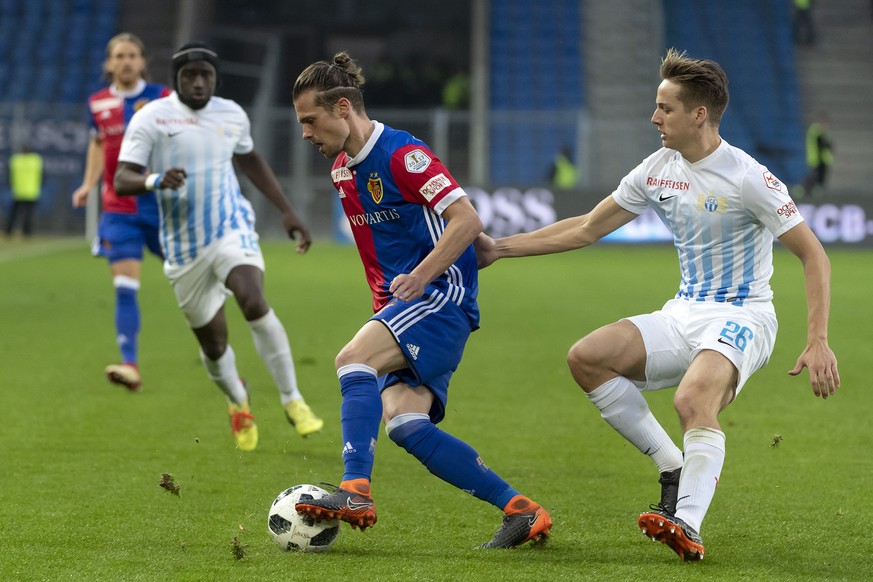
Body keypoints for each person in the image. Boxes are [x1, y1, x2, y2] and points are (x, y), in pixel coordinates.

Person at [475, 48, 839, 561]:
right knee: (587, 357)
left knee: (693, 402)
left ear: (699, 114)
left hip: (743, 316)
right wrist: (500, 248)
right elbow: (585, 227)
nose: (654, 118)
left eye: (665, 108)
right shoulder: (658, 168)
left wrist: (818, 340)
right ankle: (672, 465)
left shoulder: (748, 177)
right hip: (683, 311)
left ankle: (686, 522)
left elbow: (813, 254)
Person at [290, 51, 552, 549]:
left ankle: (354, 490)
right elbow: (377, 257)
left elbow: (467, 220)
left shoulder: (403, 154)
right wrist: (385, 309)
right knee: (407, 426)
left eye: (310, 120)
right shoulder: (343, 172)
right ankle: (522, 510)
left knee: (352, 360)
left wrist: (423, 275)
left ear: (342, 108)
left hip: (441, 294)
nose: (305, 133)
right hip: (405, 308)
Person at [114, 42, 324, 451]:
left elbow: (250, 161)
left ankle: (292, 399)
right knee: (213, 344)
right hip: (182, 248)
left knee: (253, 300)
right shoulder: (151, 118)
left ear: (215, 78)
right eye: (189, 75)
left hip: (231, 229)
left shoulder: (231, 114)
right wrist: (155, 180)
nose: (197, 82)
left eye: (204, 75)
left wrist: (286, 210)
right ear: (176, 79)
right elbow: (123, 178)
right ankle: (238, 401)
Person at [71, 33, 171, 391]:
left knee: (191, 280)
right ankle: (130, 364)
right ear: (109, 63)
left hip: (160, 206)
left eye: (132, 55)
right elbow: (98, 144)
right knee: (125, 288)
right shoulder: (98, 103)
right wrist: (88, 184)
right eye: (119, 56)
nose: (126, 61)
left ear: (142, 61)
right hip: (118, 209)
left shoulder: (162, 99)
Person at [5, 143, 43, 238]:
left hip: (18, 191)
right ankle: (26, 232)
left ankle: (9, 231)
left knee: (14, 213)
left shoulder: (16, 160)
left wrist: (11, 185)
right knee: (28, 214)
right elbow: (42, 176)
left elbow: (9, 175)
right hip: (31, 191)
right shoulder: (36, 161)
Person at [801, 113, 833, 198]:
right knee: (815, 176)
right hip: (817, 158)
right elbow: (821, 145)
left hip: (817, 158)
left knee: (814, 176)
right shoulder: (817, 130)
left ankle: (808, 190)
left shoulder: (816, 130)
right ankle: (806, 190)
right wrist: (829, 145)